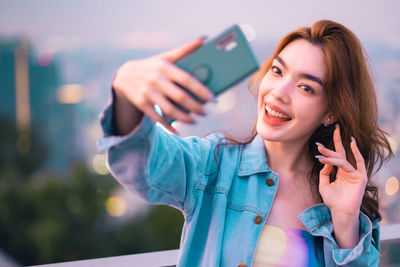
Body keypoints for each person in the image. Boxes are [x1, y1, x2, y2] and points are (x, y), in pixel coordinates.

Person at [98, 20, 392, 266]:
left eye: (305, 87)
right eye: (277, 71)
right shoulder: (213, 165)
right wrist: (125, 89)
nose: (279, 92)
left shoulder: (344, 193)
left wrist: (345, 222)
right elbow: (141, 166)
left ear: (330, 112)